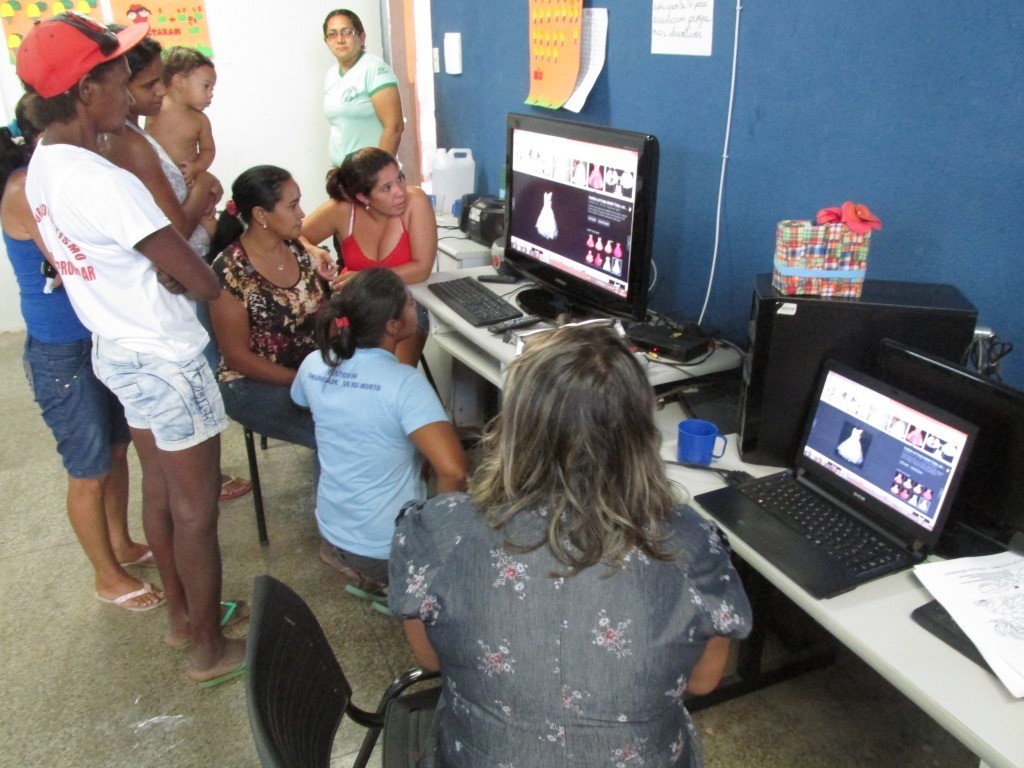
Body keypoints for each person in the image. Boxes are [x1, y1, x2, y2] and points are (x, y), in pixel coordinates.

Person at [388, 323, 753, 767]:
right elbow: (703, 681)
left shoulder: (441, 531)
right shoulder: (690, 545)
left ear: (516, 427)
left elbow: (432, 659)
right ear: (640, 434)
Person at [17, 13, 244, 686]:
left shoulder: (44, 170)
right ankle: (210, 649)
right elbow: (200, 277)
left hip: (117, 349)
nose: (134, 89)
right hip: (167, 357)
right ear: (87, 90)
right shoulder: (103, 180)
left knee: (159, 487)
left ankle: (183, 620)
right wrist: (177, 271)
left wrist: (162, 268)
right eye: (120, 75)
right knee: (197, 508)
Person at [1, 94, 161, 612]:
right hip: (60, 349)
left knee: (116, 450)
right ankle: (105, 576)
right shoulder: (28, 187)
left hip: (95, 336)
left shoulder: (50, 178)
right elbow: (75, 258)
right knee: (87, 469)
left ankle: (121, 545)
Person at [100, 28, 250, 502]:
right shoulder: (133, 142)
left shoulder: (129, 138)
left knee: (162, 480)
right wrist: (205, 191)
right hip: (166, 307)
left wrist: (202, 178)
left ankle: (196, 476)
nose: (160, 90)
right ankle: (203, 477)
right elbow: (173, 230)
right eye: (150, 83)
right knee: (183, 495)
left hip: (164, 294)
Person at [291, 268, 466, 598]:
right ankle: (410, 587)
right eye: (412, 303)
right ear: (392, 326)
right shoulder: (404, 383)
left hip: (333, 533)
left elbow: (301, 402)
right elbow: (454, 470)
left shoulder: (315, 363)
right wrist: (441, 540)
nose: (417, 307)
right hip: (385, 549)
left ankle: (381, 578)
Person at [208, 165, 328, 451]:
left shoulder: (300, 252)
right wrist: (306, 381)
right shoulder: (230, 269)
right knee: (331, 428)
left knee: (370, 409)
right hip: (251, 384)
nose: (301, 213)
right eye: (293, 205)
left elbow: (324, 316)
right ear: (261, 215)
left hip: (309, 372)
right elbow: (238, 358)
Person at [300, 147, 435, 365]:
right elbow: (295, 234)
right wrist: (314, 251)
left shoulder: (415, 201)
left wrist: (364, 278)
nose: (400, 191)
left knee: (390, 372)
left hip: (402, 302)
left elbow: (421, 268)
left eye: (400, 178)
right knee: (338, 367)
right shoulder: (342, 209)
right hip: (355, 303)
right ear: (362, 197)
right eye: (386, 188)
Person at [321, 8, 403, 164]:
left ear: (361, 36)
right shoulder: (331, 75)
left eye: (347, 32)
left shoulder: (375, 69)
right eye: (332, 34)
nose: (340, 39)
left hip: (371, 174)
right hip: (343, 173)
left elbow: (394, 127)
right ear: (327, 41)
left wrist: (377, 174)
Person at [144, 45, 217, 189]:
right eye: (206, 86)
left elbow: (208, 150)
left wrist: (197, 167)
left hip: (186, 180)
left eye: (212, 88)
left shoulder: (200, 120)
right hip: (155, 180)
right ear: (179, 83)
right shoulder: (155, 107)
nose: (211, 93)